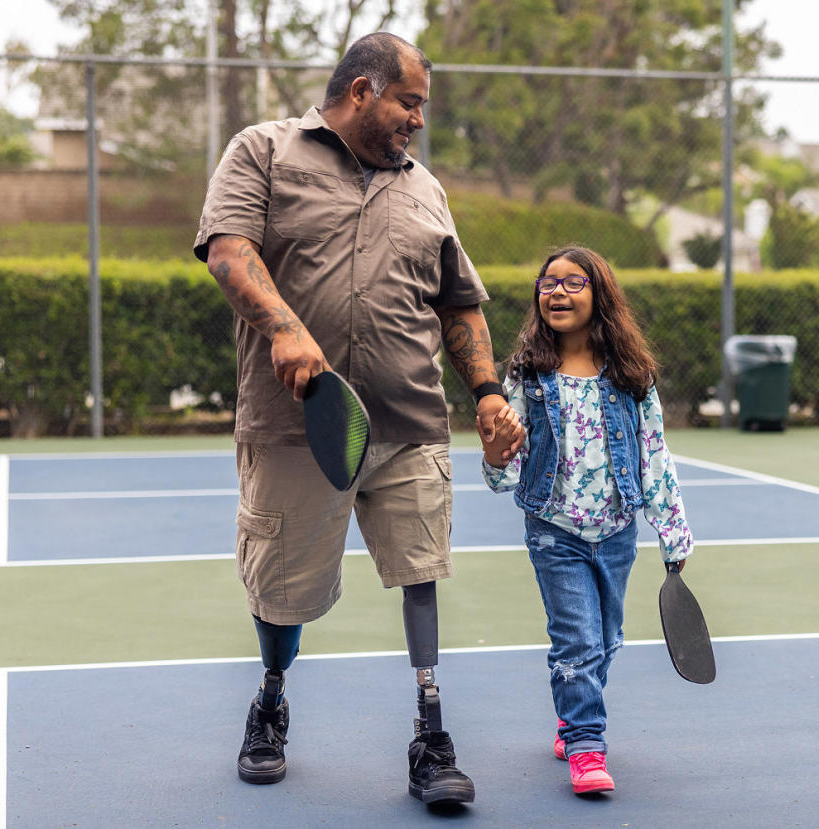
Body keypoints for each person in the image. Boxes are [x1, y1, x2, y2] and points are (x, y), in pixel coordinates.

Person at [192, 32, 521, 806]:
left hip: (410, 422)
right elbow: (229, 250)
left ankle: (430, 733)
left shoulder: (426, 189)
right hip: (299, 426)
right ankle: (271, 696)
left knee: (421, 574)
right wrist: (283, 327)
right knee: (280, 593)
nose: (418, 120)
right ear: (364, 89)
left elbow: (458, 303)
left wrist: (487, 393)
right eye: (410, 102)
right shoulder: (264, 152)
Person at [478, 246, 694, 796]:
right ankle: (585, 745)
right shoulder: (528, 375)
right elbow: (507, 471)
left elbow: (654, 453)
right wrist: (496, 454)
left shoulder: (631, 376)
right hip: (554, 531)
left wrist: (672, 529)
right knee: (577, 641)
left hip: (617, 531)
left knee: (607, 639)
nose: (557, 291)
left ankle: (572, 712)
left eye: (573, 283)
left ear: (601, 296)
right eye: (547, 282)